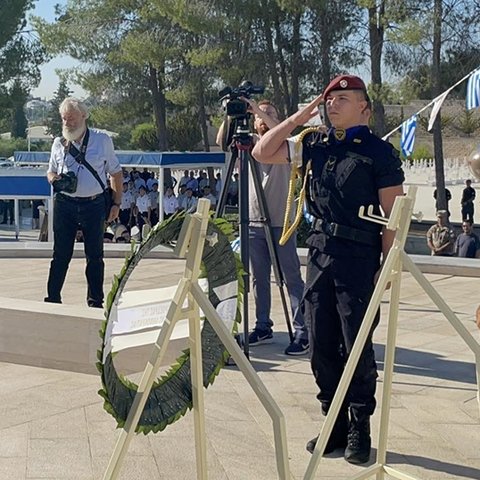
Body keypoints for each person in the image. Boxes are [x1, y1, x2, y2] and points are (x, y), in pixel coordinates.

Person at [252, 75, 404, 464]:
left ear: (364, 109)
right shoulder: (315, 143)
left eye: (343, 99)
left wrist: (386, 265)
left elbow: (394, 216)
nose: (332, 105)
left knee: (356, 344)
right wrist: (297, 117)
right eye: (329, 99)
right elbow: (262, 152)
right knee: (319, 341)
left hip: (359, 254)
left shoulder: (379, 153)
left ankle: (358, 425)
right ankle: (332, 419)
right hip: (320, 250)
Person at [217, 99, 308, 355]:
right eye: (259, 114)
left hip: (280, 221)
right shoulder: (248, 146)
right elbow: (222, 141)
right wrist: (231, 115)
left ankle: (303, 330)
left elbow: (283, 131)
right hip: (253, 222)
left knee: (290, 277)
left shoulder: (286, 147)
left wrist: (259, 110)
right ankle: (262, 324)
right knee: (258, 278)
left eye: (270, 113)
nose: (262, 117)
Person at [44, 97, 122, 308]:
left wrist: (116, 203)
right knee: (60, 254)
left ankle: (95, 301)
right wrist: (53, 179)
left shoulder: (101, 140)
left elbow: (115, 173)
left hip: (93, 204)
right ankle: (52, 298)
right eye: (64, 118)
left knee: (95, 256)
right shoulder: (58, 143)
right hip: (65, 204)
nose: (67, 122)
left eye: (71, 118)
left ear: (84, 116)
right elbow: (50, 170)